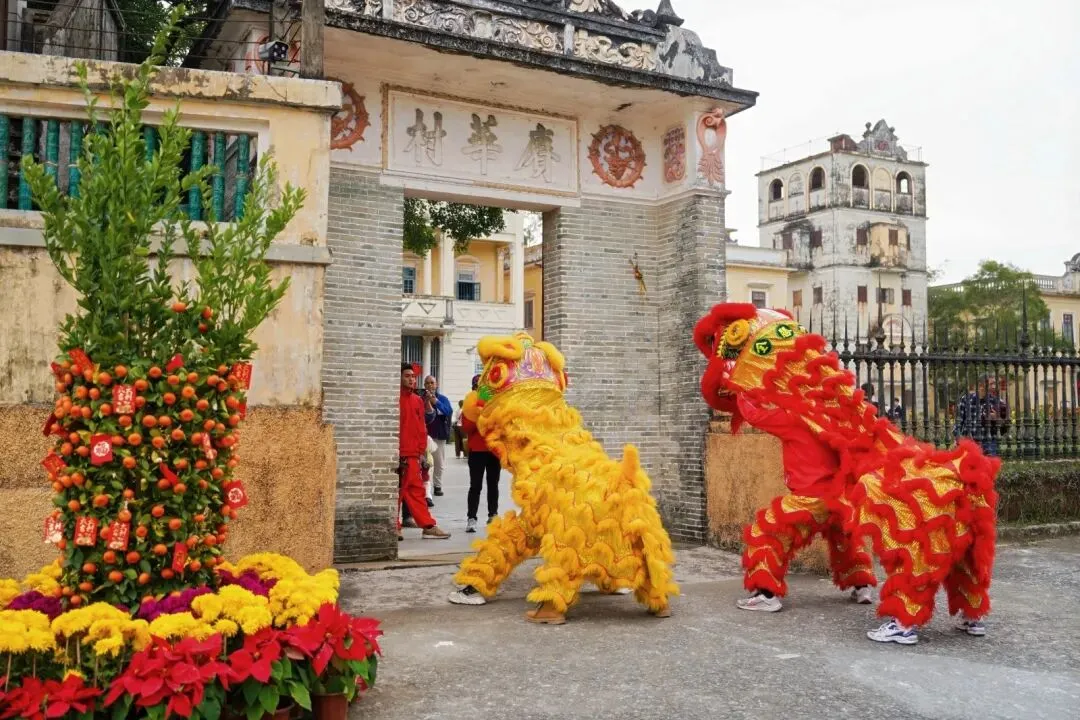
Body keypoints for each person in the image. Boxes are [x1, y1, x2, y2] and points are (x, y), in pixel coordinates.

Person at [398, 363, 450, 540]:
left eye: (413, 376)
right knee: (396, 492)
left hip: (413, 454)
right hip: (399, 454)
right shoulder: (395, 399)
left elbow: (422, 427)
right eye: (407, 376)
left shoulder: (418, 400)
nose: (411, 379)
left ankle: (428, 525)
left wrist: (421, 452)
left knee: (417, 492)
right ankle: (394, 526)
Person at [460, 374, 501, 534]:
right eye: (478, 386)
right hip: (477, 450)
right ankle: (472, 518)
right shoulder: (469, 405)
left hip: (493, 449)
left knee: (493, 484)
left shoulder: (495, 403)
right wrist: (479, 414)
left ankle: (493, 514)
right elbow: (466, 428)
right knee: (475, 485)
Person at [954, 375, 1008, 457]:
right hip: (969, 442)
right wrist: (957, 438)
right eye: (991, 384)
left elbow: (1005, 427)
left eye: (996, 384)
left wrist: (997, 419)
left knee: (989, 464)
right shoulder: (966, 399)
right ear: (980, 386)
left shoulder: (999, 402)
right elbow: (959, 422)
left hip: (989, 443)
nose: (994, 387)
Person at [423, 375, 453, 497]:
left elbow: (448, 411)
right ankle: (425, 488)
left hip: (438, 436)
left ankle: (437, 486)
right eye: (427, 383)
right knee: (425, 463)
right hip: (425, 436)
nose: (430, 385)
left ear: (436, 385)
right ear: (424, 385)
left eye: (432, 382)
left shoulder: (443, 399)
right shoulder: (421, 398)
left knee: (439, 463)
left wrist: (436, 402)